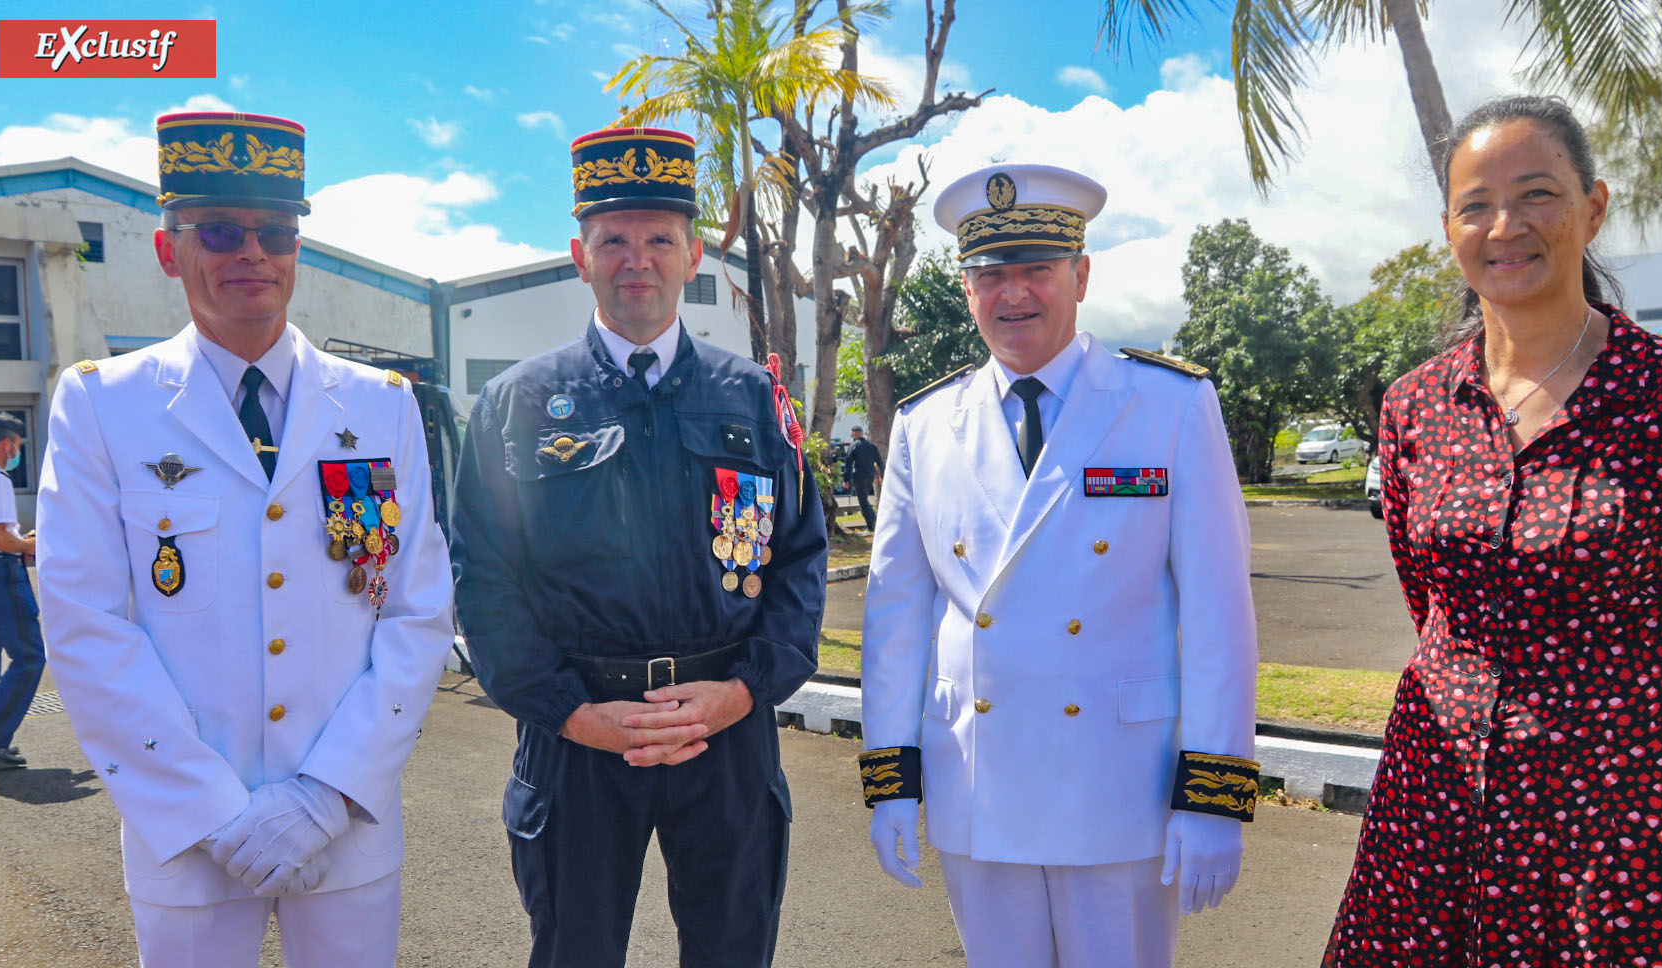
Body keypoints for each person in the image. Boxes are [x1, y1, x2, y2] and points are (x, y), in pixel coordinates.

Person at [35, 111, 455, 968]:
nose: (250, 254)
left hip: (346, 829)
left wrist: (326, 793)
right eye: (220, 231)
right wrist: (206, 808)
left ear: (297, 249)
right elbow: (85, 621)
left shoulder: (381, 404)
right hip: (186, 837)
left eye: (275, 232)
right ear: (168, 249)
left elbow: (416, 610)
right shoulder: (104, 404)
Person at [1324, 95, 1662, 966]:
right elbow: (1427, 594)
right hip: (1438, 796)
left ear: (1593, 207)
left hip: (1622, 813)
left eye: (1536, 193)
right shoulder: (1415, 405)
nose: (1504, 225)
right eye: (1476, 204)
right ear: (1449, 228)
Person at [858, 163, 1260, 968]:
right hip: (980, 781)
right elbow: (896, 617)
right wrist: (891, 778)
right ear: (967, 287)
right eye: (990, 274)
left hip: (1119, 786)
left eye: (1037, 269)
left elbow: (1219, 611)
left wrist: (1216, 791)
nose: (1014, 295)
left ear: (1080, 274)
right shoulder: (924, 424)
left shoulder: (1170, 404)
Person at [450, 125, 828, 968]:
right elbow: (484, 577)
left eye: (660, 238)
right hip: (579, 735)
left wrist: (743, 692)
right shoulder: (517, 403)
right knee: (574, 951)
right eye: (612, 240)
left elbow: (800, 560)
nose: (638, 260)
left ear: (693, 256)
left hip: (724, 729)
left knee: (734, 950)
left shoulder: (755, 398)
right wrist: (572, 714)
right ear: (579, 256)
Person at [0, 410, 44, 768]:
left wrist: (16, 541)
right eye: (17, 444)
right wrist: (29, 545)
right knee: (30, 657)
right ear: (7, 444)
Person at [843, 425, 884, 531]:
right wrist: (882, 476)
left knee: (863, 502)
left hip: (859, 476)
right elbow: (880, 462)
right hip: (870, 476)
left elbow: (848, 463)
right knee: (864, 501)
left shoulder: (854, 446)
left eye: (852, 433)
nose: (852, 436)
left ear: (856, 434)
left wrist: (846, 480)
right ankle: (875, 522)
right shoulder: (871, 445)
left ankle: (872, 526)